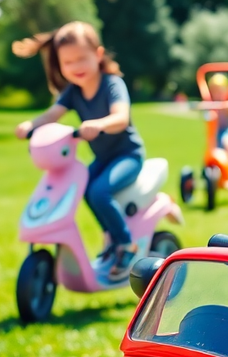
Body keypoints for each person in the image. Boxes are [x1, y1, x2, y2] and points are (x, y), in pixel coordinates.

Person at [13, 22, 147, 282]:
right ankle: (111, 237)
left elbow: (121, 117)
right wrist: (31, 125)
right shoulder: (72, 92)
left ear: (97, 55)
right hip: (104, 158)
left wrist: (99, 124)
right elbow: (53, 115)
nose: (76, 68)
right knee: (82, 188)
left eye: (81, 59)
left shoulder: (112, 84)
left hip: (128, 156)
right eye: (68, 63)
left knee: (99, 191)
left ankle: (126, 245)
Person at [207, 73, 228, 171]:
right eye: (214, 91)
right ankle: (208, 166)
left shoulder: (227, 103)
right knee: (209, 147)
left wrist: (226, 107)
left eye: (219, 91)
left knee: (227, 141)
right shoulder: (209, 104)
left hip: (227, 130)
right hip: (214, 133)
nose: (217, 94)